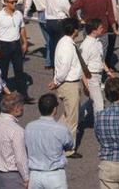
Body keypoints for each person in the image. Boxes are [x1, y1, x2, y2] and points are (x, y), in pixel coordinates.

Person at [44, 19, 84, 153]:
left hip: (66, 83)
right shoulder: (68, 46)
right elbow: (64, 67)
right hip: (69, 84)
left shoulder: (63, 42)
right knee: (72, 119)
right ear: (74, 30)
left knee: (67, 115)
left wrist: (56, 80)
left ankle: (52, 137)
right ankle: (69, 149)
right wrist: (57, 81)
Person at [24, 93, 73, 189]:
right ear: (55, 109)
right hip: (55, 175)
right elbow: (70, 144)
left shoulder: (29, 127)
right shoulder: (60, 128)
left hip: (35, 175)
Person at [0, 0, 30, 103]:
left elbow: (22, 28)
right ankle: (2, 97)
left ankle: (23, 95)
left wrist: (25, 43)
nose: (14, 4)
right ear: (5, 2)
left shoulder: (18, 14)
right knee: (3, 72)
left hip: (16, 44)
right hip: (4, 46)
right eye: (12, 2)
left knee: (19, 71)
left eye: (15, 1)